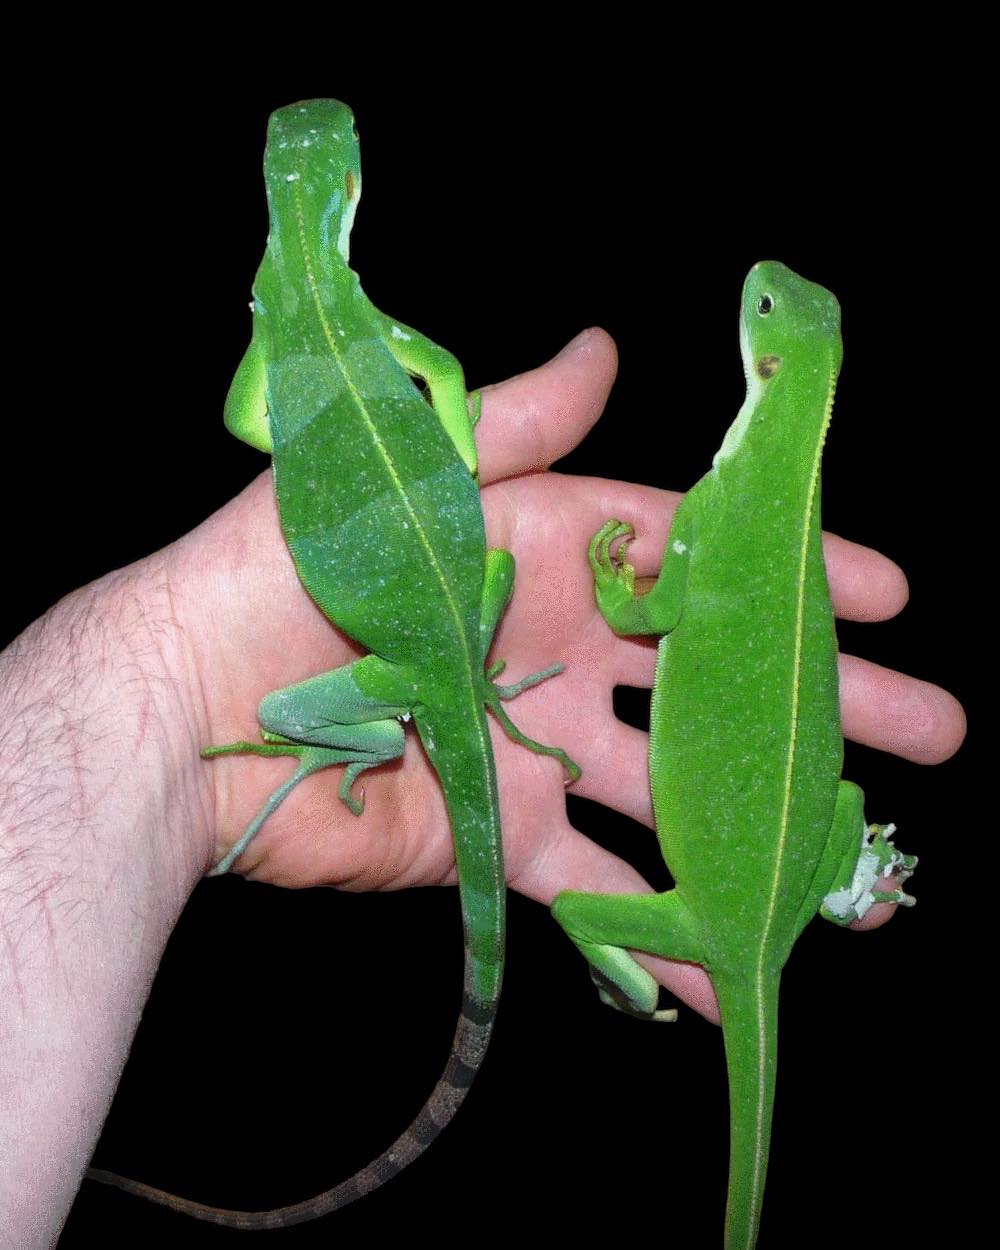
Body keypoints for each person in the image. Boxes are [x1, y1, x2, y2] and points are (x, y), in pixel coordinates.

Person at [0, 330, 966, 1243]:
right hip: (731, 856)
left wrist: (169, 695)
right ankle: (842, 884)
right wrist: (173, 695)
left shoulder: (714, 510)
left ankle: (755, 917)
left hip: (522, 735)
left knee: (630, 900)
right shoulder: (776, 526)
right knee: (829, 813)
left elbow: (641, 597)